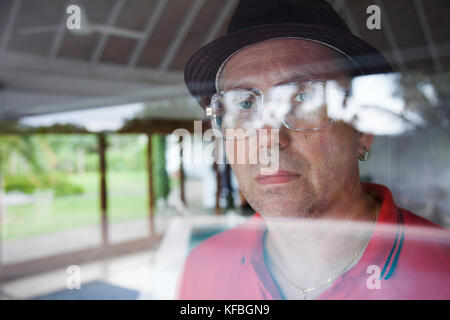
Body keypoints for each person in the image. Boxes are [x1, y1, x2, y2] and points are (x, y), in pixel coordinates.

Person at [177, 0, 450, 299]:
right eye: (245, 104)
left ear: (362, 129)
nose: (269, 138)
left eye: (304, 99)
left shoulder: (441, 272)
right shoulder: (204, 266)